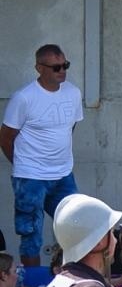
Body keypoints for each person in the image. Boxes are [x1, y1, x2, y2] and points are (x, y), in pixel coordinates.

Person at [3, 44, 83, 267]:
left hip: (63, 174)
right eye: (56, 67)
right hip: (30, 178)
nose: (62, 71)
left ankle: (72, 277)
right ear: (39, 68)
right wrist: (23, 165)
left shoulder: (73, 93)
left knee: (75, 226)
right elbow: (6, 137)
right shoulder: (24, 98)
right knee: (30, 234)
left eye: (65, 65)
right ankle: (32, 286)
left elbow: (70, 127)